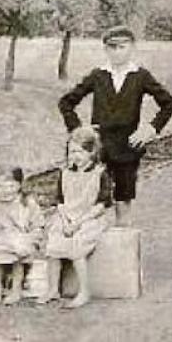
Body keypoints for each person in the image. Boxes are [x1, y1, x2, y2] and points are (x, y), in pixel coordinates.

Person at [58, 26, 172, 227]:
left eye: (122, 47)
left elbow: (170, 104)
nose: (117, 52)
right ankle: (88, 249)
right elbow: (66, 103)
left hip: (127, 148)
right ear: (105, 49)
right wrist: (79, 133)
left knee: (123, 201)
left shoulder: (140, 76)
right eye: (111, 47)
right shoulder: (98, 75)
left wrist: (150, 129)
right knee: (91, 201)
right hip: (97, 151)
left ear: (132, 48)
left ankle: (121, 252)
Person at [41, 126, 111, 308]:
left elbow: (102, 205)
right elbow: (60, 201)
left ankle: (84, 291)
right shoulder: (64, 173)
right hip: (67, 216)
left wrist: (78, 223)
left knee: (77, 244)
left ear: (92, 152)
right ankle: (52, 289)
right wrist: (65, 221)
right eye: (72, 152)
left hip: (91, 217)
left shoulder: (100, 174)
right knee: (53, 240)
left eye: (80, 152)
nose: (75, 156)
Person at [0, 165, 44, 305]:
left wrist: (25, 241)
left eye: (10, 186)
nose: (5, 191)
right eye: (0, 186)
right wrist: (10, 244)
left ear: (19, 185)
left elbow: (37, 226)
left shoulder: (27, 203)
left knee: (19, 254)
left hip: (22, 238)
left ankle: (16, 289)